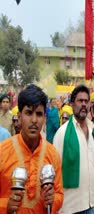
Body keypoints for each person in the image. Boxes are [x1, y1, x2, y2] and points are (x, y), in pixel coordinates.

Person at [0, 84, 63, 213]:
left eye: (39, 114)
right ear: (19, 116)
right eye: (28, 113)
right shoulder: (2, 151)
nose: (34, 120)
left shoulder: (53, 154)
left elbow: (59, 194)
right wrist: (6, 205)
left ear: (45, 118)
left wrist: (52, 200)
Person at [53, 85, 94, 214]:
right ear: (72, 104)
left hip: (89, 206)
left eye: (86, 101)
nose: (84, 104)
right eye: (80, 101)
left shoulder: (92, 132)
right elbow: (55, 172)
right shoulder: (62, 134)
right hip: (69, 208)